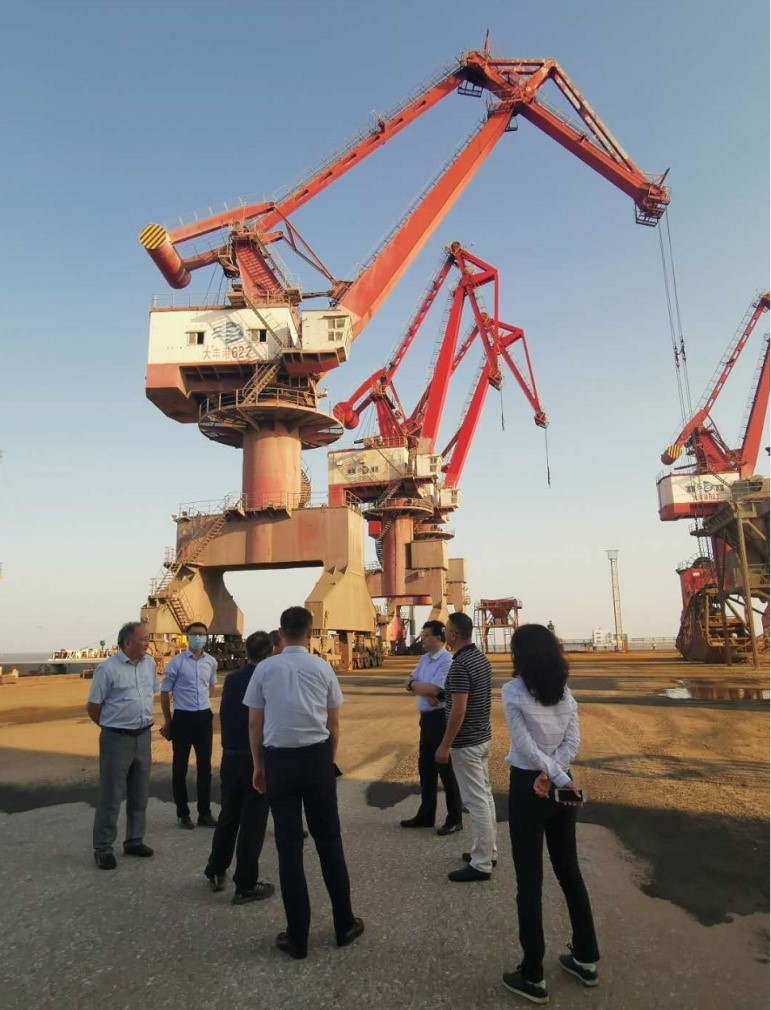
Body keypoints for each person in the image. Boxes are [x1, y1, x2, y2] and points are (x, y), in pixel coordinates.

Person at [244, 606, 363, 959]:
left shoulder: (265, 669)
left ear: (280, 634)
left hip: (279, 761)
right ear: (310, 633)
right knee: (329, 842)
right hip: (316, 759)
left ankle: (298, 937)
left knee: (289, 848)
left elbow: (254, 723)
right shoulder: (323, 668)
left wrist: (258, 766)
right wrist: (327, 761)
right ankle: (344, 924)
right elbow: (334, 722)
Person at [501, 623, 600, 1004]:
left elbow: (524, 746)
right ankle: (586, 957)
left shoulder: (513, 690)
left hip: (530, 786)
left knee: (529, 882)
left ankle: (533, 975)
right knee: (569, 872)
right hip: (561, 786)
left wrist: (548, 775)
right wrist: (559, 774)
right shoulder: (564, 691)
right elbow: (572, 741)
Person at [204, 631, 276, 904]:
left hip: (231, 755)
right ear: (271, 652)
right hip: (256, 757)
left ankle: (216, 868)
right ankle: (246, 884)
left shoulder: (233, 678)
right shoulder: (268, 679)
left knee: (229, 815)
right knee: (253, 821)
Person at [86, 621, 158, 869]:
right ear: (128, 643)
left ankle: (134, 840)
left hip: (143, 736)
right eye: (143, 639)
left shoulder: (150, 664)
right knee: (111, 795)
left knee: (140, 792)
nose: (148, 643)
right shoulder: (107, 669)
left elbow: (150, 693)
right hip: (116, 739)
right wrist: (111, 726)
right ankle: (103, 848)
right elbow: (93, 706)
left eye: (147, 638)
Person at [436, 611, 497, 882]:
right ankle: (487, 852)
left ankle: (481, 864)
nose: (444, 633)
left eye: (446, 629)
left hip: (466, 743)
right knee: (485, 796)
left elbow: (458, 711)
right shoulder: (480, 658)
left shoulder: (460, 665)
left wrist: (444, 745)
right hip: (482, 738)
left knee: (476, 802)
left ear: (454, 634)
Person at [400, 620, 463, 836]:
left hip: (440, 719)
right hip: (426, 719)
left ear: (438, 638)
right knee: (426, 768)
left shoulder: (446, 660)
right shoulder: (424, 659)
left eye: (426, 636)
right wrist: (421, 689)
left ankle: (454, 818)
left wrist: (421, 689)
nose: (423, 640)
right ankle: (426, 814)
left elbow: (436, 689)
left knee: (445, 768)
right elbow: (411, 681)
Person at [159, 621, 219, 828]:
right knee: (180, 768)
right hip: (183, 717)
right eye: (194, 634)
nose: (198, 637)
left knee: (205, 767)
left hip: (203, 716)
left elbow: (211, 687)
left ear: (206, 637)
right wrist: (168, 720)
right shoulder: (176, 663)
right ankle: (182, 813)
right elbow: (164, 693)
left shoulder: (211, 662)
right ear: (187, 636)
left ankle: (204, 812)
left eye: (202, 634)